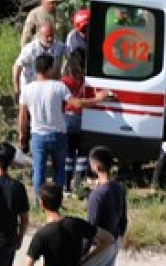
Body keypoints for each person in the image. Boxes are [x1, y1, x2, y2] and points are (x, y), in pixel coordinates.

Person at [18, 53, 105, 195]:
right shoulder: (58, 87)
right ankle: (56, 199)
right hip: (58, 134)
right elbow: (76, 103)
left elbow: (22, 116)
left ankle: (39, 200)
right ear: (50, 68)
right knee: (59, 170)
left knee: (39, 171)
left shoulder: (27, 89)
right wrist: (97, 99)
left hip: (38, 135)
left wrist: (22, 134)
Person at [73, 147, 129, 266]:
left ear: (96, 167)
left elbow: (90, 228)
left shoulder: (97, 195)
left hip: (101, 245)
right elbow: (124, 217)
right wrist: (119, 237)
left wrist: (81, 254)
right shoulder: (119, 187)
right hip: (115, 240)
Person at [61, 49, 94, 193]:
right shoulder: (87, 81)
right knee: (82, 154)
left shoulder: (64, 81)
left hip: (67, 119)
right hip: (84, 119)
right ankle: (78, 186)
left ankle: (65, 186)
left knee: (67, 154)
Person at [12, 22, 69, 98]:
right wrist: (16, 89)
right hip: (30, 88)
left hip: (49, 89)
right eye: (47, 36)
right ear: (39, 36)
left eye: (52, 35)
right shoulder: (30, 49)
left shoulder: (59, 46)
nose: (50, 39)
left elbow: (72, 56)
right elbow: (17, 66)